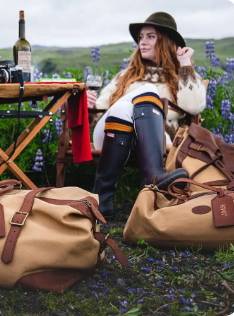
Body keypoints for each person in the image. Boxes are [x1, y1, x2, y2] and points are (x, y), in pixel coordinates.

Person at [85, 12, 202, 221]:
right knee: (144, 93)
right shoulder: (125, 76)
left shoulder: (180, 76)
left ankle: (102, 200)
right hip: (110, 136)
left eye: (150, 37)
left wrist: (185, 63)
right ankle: (154, 177)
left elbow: (193, 107)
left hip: (158, 141)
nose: (142, 43)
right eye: (141, 37)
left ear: (166, 41)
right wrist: (88, 105)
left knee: (136, 101)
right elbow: (100, 113)